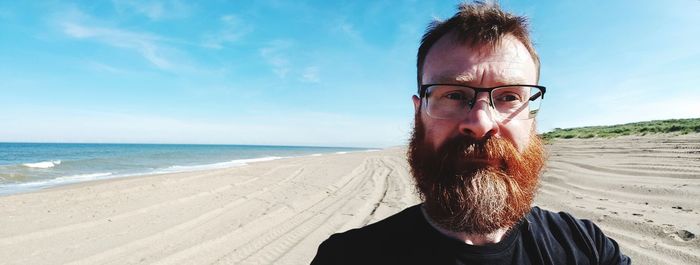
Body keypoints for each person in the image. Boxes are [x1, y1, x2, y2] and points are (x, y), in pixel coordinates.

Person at [311, 2, 631, 265]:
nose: (480, 123)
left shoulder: (587, 247)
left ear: (532, 117)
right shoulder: (347, 257)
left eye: (509, 97)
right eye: (453, 94)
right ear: (417, 112)